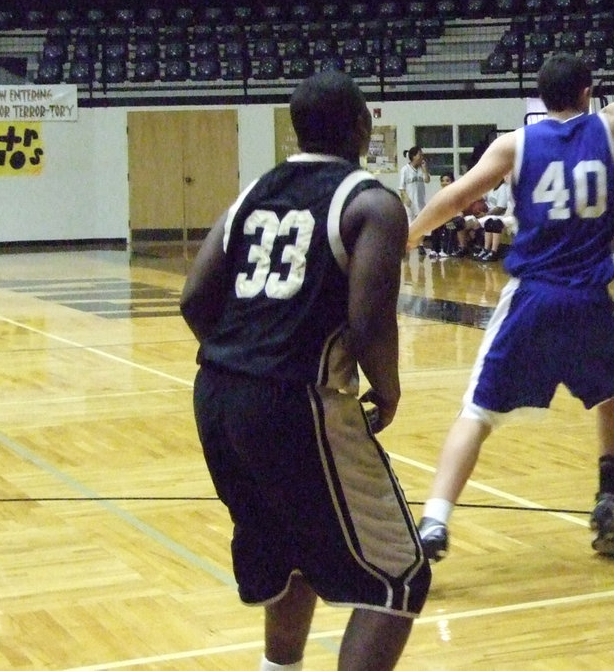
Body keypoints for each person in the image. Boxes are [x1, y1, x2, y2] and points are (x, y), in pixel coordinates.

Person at [405, 0, 614, 562]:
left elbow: (453, 201)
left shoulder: (515, 145)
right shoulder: (609, 127)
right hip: (590, 301)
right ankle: (608, 497)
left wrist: (406, 236)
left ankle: (434, 521)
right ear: (587, 92)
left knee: (476, 415)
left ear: (539, 96)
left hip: (533, 297)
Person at [180, 71, 429, 671]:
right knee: (398, 577)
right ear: (363, 125)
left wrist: (241, 358)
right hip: (293, 402)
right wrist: (388, 392)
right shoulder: (371, 201)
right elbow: (369, 323)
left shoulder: (255, 191)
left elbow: (193, 299)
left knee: (292, 555)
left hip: (214, 394)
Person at [398, 146, 431, 222]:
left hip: (420, 202)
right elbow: (401, 188)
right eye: (420, 155)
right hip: (410, 204)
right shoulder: (405, 170)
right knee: (411, 225)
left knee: (421, 225)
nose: (422, 157)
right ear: (414, 156)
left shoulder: (421, 169)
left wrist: (425, 169)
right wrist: (406, 198)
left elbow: (427, 180)